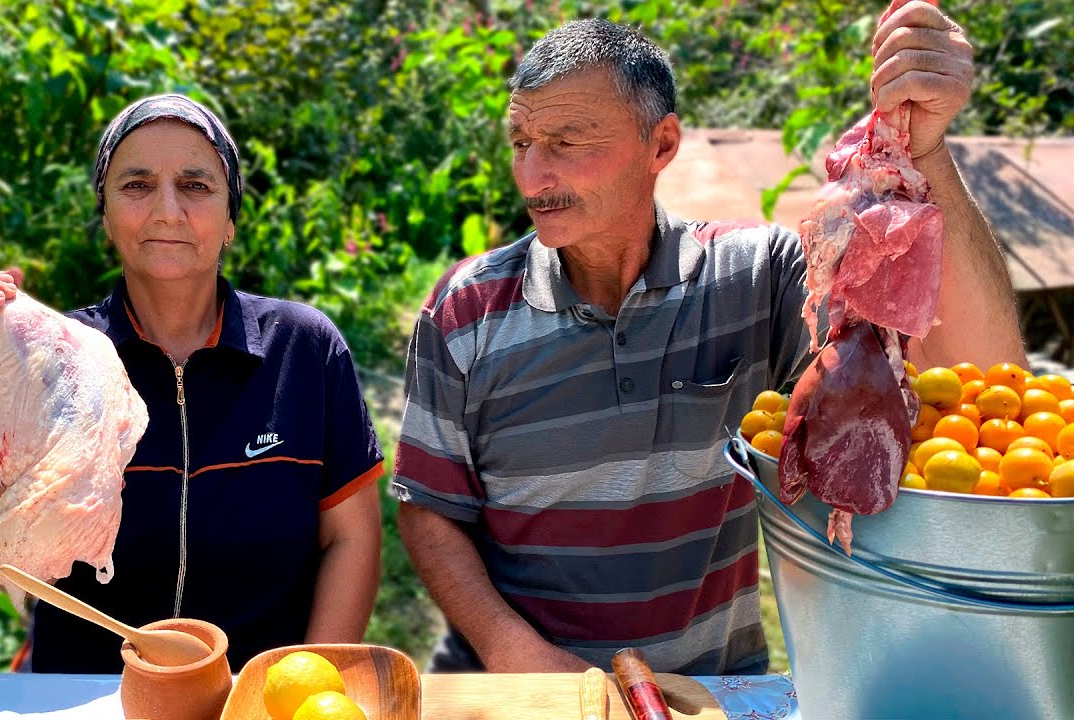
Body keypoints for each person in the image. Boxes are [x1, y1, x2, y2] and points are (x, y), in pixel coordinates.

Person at [392, 6, 1025, 675]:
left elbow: (984, 381)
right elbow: (430, 509)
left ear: (661, 145)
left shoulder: (750, 279)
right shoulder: (467, 310)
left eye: (567, 142)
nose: (531, 177)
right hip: (510, 692)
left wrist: (926, 153)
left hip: (704, 693)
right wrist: (513, 650)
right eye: (521, 141)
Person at [0, 94, 384, 673]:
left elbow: (351, 539)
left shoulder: (303, 349)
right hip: (80, 699)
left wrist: (304, 681)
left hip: (255, 696)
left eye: (196, 186)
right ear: (105, 214)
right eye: (137, 185)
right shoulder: (55, 359)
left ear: (230, 220)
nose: (167, 210)